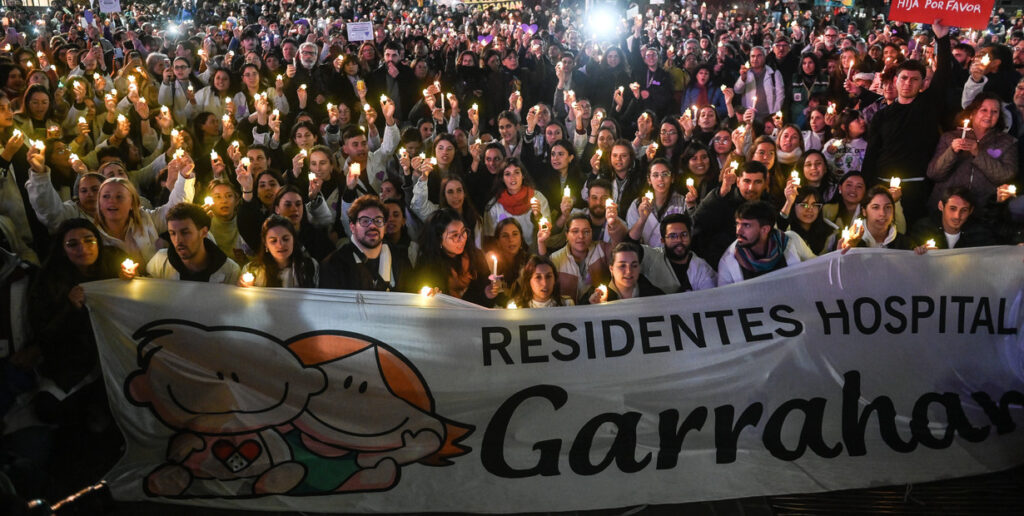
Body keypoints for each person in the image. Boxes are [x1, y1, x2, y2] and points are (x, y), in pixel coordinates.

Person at [28, 219, 125, 428]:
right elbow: (45, 333)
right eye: (73, 244)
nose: (83, 248)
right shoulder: (50, 281)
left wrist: (129, 283)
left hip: (114, 352)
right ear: (63, 250)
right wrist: (71, 309)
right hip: (73, 359)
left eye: (89, 240)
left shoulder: (114, 265)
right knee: (47, 408)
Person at [319, 195, 411, 292]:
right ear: (352, 227)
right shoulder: (334, 264)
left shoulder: (400, 259)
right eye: (365, 221)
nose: (372, 226)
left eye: (378, 220)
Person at [412, 208, 497, 307]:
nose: (462, 239)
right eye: (454, 235)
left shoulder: (475, 256)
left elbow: (485, 302)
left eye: (463, 232)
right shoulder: (428, 264)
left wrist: (488, 294)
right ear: (439, 240)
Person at [717, 201, 815, 286]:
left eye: (746, 225)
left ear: (765, 229)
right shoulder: (728, 261)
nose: (738, 231)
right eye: (737, 224)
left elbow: (817, 268)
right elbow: (726, 301)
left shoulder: (792, 241)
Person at [142, 203, 240, 284]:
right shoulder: (159, 263)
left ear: (203, 232)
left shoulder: (230, 271)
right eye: (172, 233)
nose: (178, 240)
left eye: (185, 232)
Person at [634, 212, 717, 293]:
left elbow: (709, 301)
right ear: (663, 240)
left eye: (684, 235)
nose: (679, 240)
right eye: (672, 236)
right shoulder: (652, 257)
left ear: (690, 236)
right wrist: (642, 220)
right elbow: (630, 247)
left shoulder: (702, 268)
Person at [238, 215, 319, 288]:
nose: (280, 245)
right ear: (266, 244)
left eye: (285, 239)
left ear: (293, 240)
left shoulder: (309, 266)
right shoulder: (253, 270)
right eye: (273, 241)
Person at [910, 186, 994, 249]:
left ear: (971, 211)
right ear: (941, 206)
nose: (957, 216)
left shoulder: (979, 234)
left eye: (964, 210)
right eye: (952, 209)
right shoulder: (923, 229)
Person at [583, 242, 664, 304]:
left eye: (634, 265)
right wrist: (593, 308)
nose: (629, 271)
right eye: (622, 266)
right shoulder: (593, 297)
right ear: (611, 269)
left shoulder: (655, 295)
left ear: (639, 268)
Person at [838, 185, 914, 251]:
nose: (883, 213)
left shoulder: (905, 244)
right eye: (875, 207)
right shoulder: (848, 241)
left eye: (888, 207)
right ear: (864, 211)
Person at [510, 255, 575, 308]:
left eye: (548, 276)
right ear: (528, 281)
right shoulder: (516, 307)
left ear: (554, 279)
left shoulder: (567, 304)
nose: (544, 283)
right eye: (538, 277)